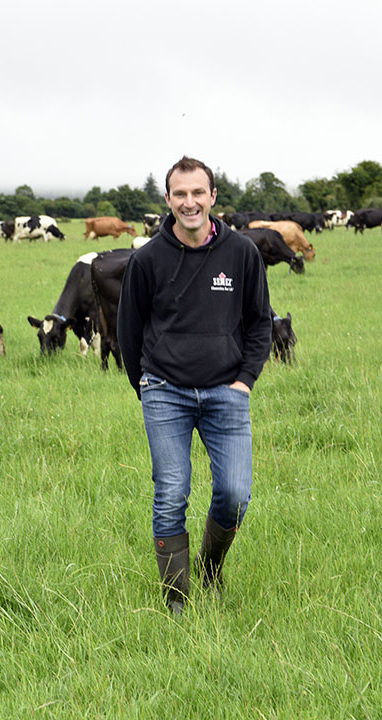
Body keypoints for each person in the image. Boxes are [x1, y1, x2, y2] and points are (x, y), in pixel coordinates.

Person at [117, 156, 273, 615]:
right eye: (179, 194)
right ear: (167, 200)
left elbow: (260, 323)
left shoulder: (241, 252)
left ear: (213, 197)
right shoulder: (147, 259)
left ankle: (210, 570)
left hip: (227, 392)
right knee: (171, 490)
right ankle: (177, 598)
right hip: (165, 390)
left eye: (197, 193)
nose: (189, 202)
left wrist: (244, 381)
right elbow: (129, 329)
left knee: (235, 494)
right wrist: (145, 385)